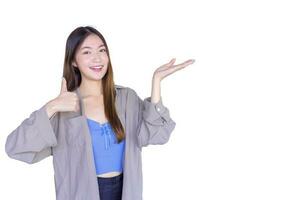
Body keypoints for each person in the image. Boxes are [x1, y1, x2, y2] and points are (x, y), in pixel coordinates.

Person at [5, 26, 195, 200]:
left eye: (102, 50)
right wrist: (52, 107)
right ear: (73, 61)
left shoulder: (126, 98)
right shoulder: (65, 107)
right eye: (87, 52)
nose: (97, 58)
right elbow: (15, 147)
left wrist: (156, 83)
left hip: (125, 191)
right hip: (82, 193)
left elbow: (158, 135)